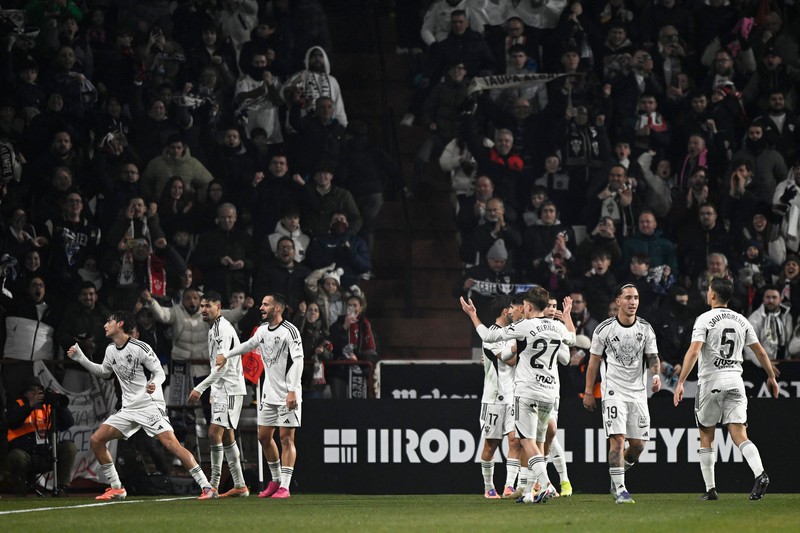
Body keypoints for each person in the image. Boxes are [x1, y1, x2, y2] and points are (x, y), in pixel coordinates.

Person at [66, 310, 218, 500]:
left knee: (171, 444)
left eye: (109, 321)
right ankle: (117, 488)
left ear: (120, 324)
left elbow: (159, 372)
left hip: (149, 404)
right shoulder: (110, 350)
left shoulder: (140, 347)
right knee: (97, 440)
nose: (105, 325)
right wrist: (81, 359)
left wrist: (154, 382)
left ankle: (207, 487)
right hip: (129, 408)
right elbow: (104, 372)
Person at [460, 287, 575, 504]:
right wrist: (567, 316)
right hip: (549, 393)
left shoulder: (523, 326)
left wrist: (473, 315)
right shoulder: (557, 326)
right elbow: (572, 339)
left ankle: (546, 484)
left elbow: (488, 336)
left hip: (527, 391)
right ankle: (529, 491)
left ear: (528, 307)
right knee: (539, 441)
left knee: (526, 441)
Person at [673, 278, 779, 501]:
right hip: (735, 382)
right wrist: (771, 376)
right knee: (739, 433)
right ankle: (760, 473)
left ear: (712, 295)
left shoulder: (704, 319)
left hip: (711, 381)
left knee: (706, 434)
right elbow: (760, 351)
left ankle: (710, 489)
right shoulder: (742, 320)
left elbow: (694, 352)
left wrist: (681, 382)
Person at [215, 294, 303, 499]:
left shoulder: (290, 331)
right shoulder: (262, 330)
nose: (261, 307)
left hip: (288, 393)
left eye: (266, 304)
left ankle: (285, 487)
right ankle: (276, 480)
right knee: (263, 437)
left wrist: (292, 390)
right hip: (268, 394)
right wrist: (226, 355)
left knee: (286, 438)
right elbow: (248, 345)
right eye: (262, 304)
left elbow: (298, 360)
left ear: (278, 308)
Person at [582, 283, 662, 504]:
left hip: (638, 393)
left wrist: (655, 376)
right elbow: (593, 363)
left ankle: (617, 476)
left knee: (638, 445)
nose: (632, 302)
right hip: (613, 391)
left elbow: (653, 357)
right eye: (628, 297)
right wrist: (588, 391)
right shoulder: (604, 329)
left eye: (635, 297)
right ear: (618, 301)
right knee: (617, 440)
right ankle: (620, 489)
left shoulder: (645, 329)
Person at [187, 291, 249, 498]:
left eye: (208, 306)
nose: (204, 309)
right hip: (221, 388)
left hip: (230, 388)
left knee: (214, 432)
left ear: (219, 307)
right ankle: (240, 485)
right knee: (227, 435)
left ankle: (213, 485)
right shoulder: (213, 328)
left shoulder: (223, 329)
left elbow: (222, 367)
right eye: (202, 306)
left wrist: (200, 387)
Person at [475, 294, 519, 499]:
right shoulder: (492, 335)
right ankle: (488, 486)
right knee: (491, 445)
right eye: (512, 308)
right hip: (493, 398)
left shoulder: (513, 332)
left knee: (515, 441)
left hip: (513, 397)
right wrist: (522, 347)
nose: (515, 311)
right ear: (505, 311)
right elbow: (509, 361)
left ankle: (509, 486)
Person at [6, 376, 76, 496]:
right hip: (26, 455)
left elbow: (68, 423)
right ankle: (21, 492)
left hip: (47, 454)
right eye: (33, 391)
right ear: (25, 393)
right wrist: (30, 404)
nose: (36, 394)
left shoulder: (48, 407)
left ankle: (62, 488)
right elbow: (12, 421)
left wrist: (58, 404)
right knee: (16, 456)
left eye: (39, 391)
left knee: (69, 447)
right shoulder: (17, 405)